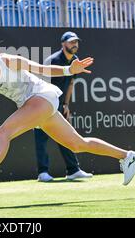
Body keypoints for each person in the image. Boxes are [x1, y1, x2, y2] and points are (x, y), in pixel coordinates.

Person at [0, 31, 135, 199]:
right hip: (36, 106)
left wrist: (69, 70)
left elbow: (42, 69)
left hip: (42, 96)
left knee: (2, 133)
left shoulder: (9, 61)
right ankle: (128, 157)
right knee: (77, 144)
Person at [34, 32, 93, 182]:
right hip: (43, 103)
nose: (75, 44)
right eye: (71, 42)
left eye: (76, 42)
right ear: (63, 44)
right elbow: (39, 83)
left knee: (65, 135)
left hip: (59, 105)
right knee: (41, 137)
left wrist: (66, 104)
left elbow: (71, 83)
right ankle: (43, 172)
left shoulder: (75, 61)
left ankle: (73, 170)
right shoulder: (52, 60)